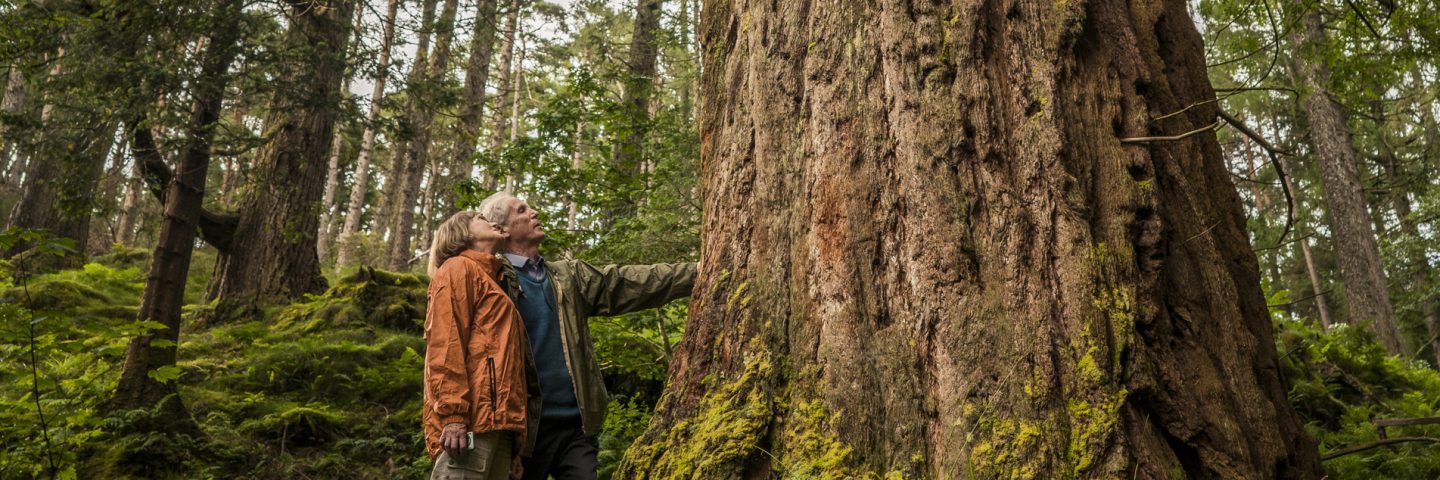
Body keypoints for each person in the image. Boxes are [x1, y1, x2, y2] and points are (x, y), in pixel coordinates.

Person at [476, 192, 697, 480]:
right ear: (502, 229)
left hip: (576, 427)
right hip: (522, 431)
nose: (534, 212)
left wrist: (696, 273)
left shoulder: (566, 277)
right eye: (522, 210)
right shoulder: (491, 280)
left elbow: (625, 282)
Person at [423, 211, 541, 480]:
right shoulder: (457, 268)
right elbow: (445, 345)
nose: (492, 222)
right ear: (463, 233)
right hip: (469, 425)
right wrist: (453, 416)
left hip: (499, 427)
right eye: (480, 217)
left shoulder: (493, 281)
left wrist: (514, 445)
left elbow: (507, 364)